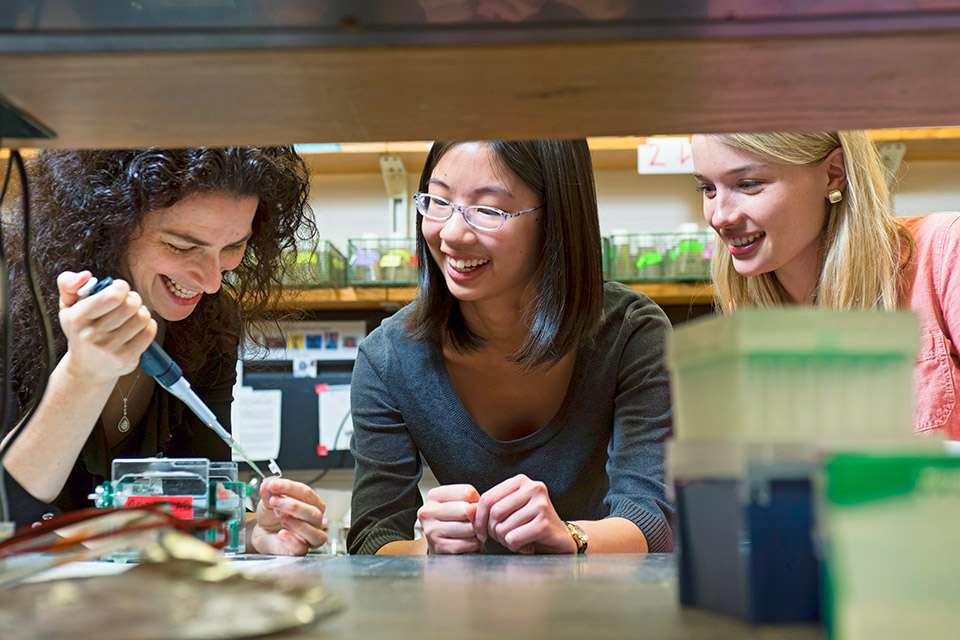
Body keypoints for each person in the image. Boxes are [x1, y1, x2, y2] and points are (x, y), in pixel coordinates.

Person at [347, 139, 673, 555]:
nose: (451, 232)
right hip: (461, 613)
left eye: (488, 210)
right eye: (438, 201)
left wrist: (568, 536)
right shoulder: (388, 358)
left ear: (557, 218)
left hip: (602, 605)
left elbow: (653, 522)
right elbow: (371, 539)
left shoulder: (630, 334)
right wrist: (431, 549)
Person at [0, 147, 327, 555]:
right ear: (107, 224)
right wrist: (85, 374)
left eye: (232, 247)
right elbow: (9, 515)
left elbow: (192, 503)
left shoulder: (209, 319)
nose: (210, 280)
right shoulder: (10, 306)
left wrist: (249, 533)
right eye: (180, 246)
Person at [691, 130, 960, 438]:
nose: (720, 216)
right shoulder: (748, 306)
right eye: (707, 188)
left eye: (748, 184)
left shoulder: (945, 251)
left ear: (834, 173)